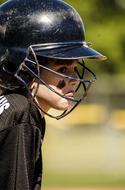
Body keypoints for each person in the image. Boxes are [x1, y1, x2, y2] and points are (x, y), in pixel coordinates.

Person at [0, 0, 106, 189]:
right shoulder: (21, 114)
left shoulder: (14, 106)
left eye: (74, 68)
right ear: (24, 67)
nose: (73, 79)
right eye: (62, 68)